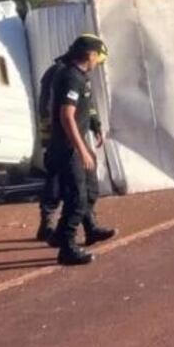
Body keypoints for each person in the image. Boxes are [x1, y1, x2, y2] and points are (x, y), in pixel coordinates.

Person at [47, 34, 116, 266]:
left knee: (90, 189)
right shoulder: (71, 77)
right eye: (98, 58)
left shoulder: (80, 76)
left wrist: (94, 127)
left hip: (76, 143)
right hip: (67, 146)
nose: (98, 63)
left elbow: (86, 108)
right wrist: (81, 150)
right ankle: (66, 247)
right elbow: (66, 116)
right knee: (77, 197)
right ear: (90, 55)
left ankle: (83, 230)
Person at [35, 55, 104, 243]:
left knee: (84, 180)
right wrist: (52, 138)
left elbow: (87, 104)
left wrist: (95, 124)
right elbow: (50, 107)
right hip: (59, 136)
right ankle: (49, 224)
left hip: (73, 134)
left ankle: (89, 225)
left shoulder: (79, 76)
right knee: (57, 179)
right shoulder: (62, 74)